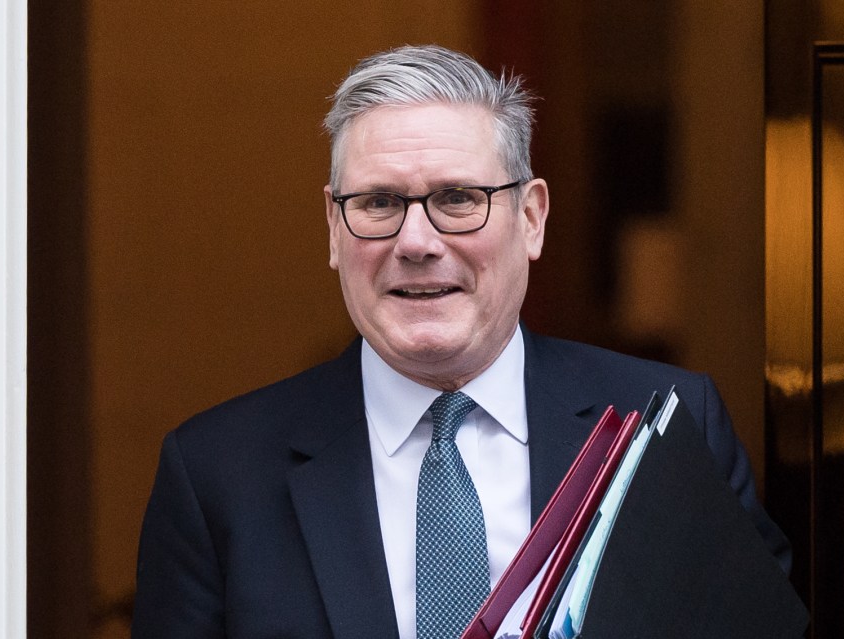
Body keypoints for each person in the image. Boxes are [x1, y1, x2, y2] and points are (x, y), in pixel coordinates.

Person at [132, 44, 791, 639]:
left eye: (456, 197)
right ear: (334, 229)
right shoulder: (217, 474)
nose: (417, 241)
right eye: (380, 203)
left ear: (530, 218)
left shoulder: (667, 428)